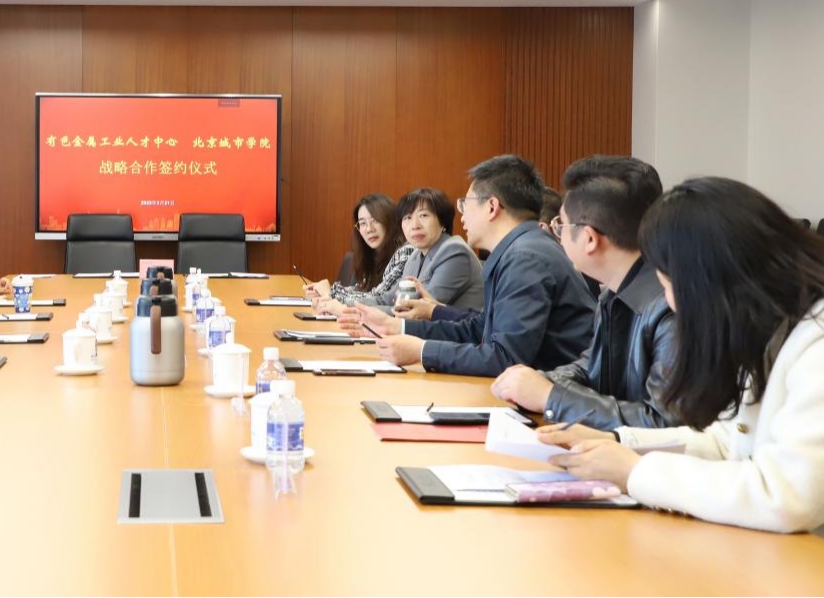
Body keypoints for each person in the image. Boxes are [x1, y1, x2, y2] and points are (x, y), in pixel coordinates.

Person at [542, 177, 824, 535]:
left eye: (668, 285)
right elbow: (727, 441)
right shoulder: (771, 326)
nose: (671, 302)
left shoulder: (814, 340)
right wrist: (619, 444)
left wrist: (634, 471)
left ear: (711, 281)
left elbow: (786, 497)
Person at [341, 155, 595, 376]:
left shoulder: (525, 257)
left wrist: (422, 351)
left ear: (492, 207)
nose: (461, 215)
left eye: (465, 203)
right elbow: (480, 328)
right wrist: (398, 326)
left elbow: (506, 358)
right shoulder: (520, 249)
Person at [491, 156, 679, 429]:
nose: (558, 235)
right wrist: (541, 381)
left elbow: (663, 423)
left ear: (590, 239)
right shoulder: (613, 293)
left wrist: (550, 396)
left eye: (561, 225)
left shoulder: (672, 308)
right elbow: (592, 366)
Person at [305, 193, 411, 312]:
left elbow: (378, 298)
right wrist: (326, 292)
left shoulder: (405, 252)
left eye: (375, 221)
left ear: (390, 220)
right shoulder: (371, 254)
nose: (369, 229)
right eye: (363, 223)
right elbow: (361, 291)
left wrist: (332, 293)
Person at [393, 187, 484, 312]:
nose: (415, 225)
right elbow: (390, 298)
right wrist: (364, 306)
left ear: (442, 222)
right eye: (408, 218)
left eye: (423, 215)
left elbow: (417, 308)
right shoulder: (415, 256)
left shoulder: (455, 252)